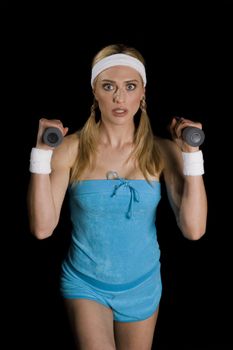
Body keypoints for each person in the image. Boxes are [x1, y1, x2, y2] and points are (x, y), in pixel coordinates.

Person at [27, 43, 207, 350]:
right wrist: (41, 155)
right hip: (85, 283)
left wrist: (192, 156)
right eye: (108, 86)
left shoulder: (162, 151)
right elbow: (42, 228)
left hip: (142, 285)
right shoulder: (69, 150)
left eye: (130, 86)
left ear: (143, 92)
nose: (119, 97)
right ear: (95, 91)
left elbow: (194, 229)